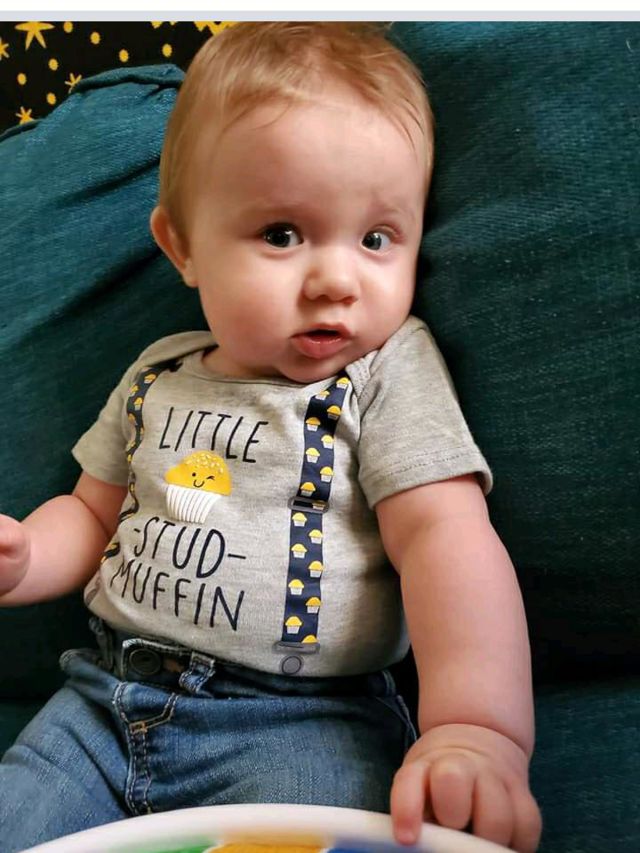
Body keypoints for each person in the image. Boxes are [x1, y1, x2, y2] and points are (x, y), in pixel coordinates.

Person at [0, 22, 542, 853]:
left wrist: (475, 727)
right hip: (98, 704)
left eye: (377, 238)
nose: (336, 279)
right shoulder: (156, 371)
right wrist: (29, 555)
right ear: (182, 246)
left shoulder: (384, 372)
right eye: (283, 234)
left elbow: (445, 537)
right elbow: (91, 511)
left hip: (299, 725)